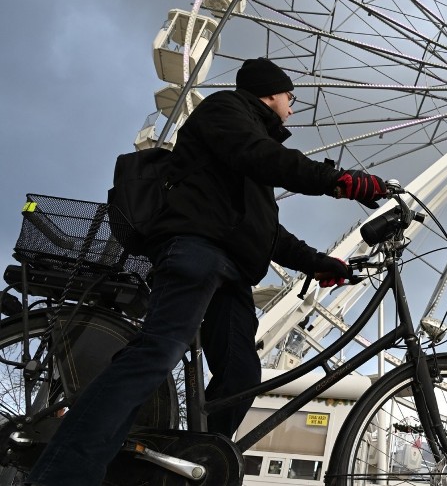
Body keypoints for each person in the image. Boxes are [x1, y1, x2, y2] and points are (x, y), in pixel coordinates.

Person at [27, 57, 387, 485]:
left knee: (240, 376)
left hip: (232, 271)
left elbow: (267, 232)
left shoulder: (250, 156)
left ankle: (187, 467)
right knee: (157, 353)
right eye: (291, 98)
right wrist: (337, 180)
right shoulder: (226, 112)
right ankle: (64, 474)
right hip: (197, 249)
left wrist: (323, 264)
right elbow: (259, 156)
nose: (292, 108)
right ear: (270, 93)